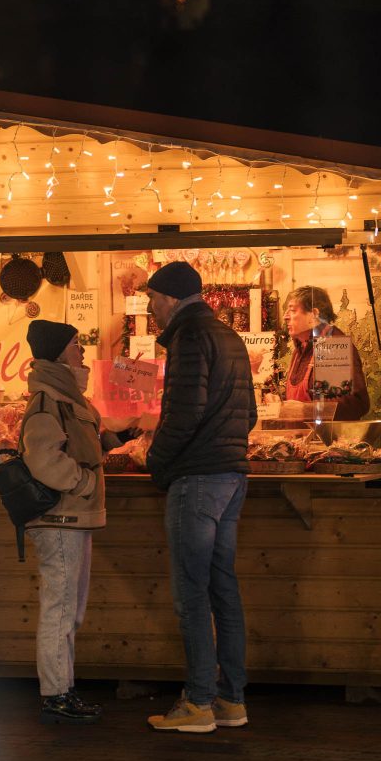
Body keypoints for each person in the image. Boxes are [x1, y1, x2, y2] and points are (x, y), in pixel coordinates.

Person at [144, 261, 257, 734]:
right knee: (222, 590)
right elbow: (248, 413)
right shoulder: (228, 336)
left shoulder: (190, 338)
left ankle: (198, 703)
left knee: (192, 595)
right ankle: (231, 701)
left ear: (170, 298)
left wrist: (157, 462)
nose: (149, 308)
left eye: (152, 299)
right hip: (231, 475)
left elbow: (183, 415)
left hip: (197, 479)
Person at [22, 319, 135, 725]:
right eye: (74, 344)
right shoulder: (47, 401)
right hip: (60, 518)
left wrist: (122, 434)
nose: (82, 350)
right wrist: (84, 481)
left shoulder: (70, 399)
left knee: (70, 610)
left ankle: (62, 689)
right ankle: (56, 694)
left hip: (74, 517)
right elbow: (43, 459)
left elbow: (86, 442)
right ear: (57, 353)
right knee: (60, 608)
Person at [283, 286, 369, 419]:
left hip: (329, 439)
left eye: (293, 310)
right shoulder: (300, 350)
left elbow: (354, 404)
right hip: (302, 438)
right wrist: (280, 403)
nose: (285, 316)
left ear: (314, 314)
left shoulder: (332, 346)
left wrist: (306, 410)